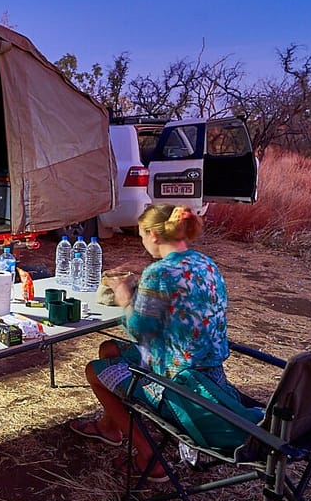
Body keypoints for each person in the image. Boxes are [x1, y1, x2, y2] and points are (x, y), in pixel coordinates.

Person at [69, 204, 239, 481]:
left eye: (142, 236)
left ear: (154, 234)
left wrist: (124, 296)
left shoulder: (159, 272)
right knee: (108, 349)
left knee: (94, 371)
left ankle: (149, 457)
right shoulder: (205, 263)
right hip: (210, 374)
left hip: (179, 385)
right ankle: (110, 428)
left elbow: (139, 331)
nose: (143, 243)